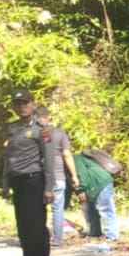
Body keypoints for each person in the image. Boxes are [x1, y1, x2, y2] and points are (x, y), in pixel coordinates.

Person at [4, 90, 55, 256]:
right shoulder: (13, 128)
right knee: (23, 226)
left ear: (33, 104)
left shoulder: (43, 129)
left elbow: (49, 159)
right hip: (18, 180)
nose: (22, 107)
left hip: (34, 180)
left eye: (25, 103)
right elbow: (9, 157)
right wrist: (6, 182)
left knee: (35, 226)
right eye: (18, 104)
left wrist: (49, 187)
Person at [34, 105, 80, 247]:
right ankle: (57, 239)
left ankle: (39, 238)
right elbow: (67, 154)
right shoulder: (59, 133)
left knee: (37, 208)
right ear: (48, 117)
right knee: (57, 208)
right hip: (58, 175)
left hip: (39, 175)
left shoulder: (35, 132)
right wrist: (74, 175)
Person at [75, 150, 119, 241]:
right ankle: (95, 233)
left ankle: (112, 236)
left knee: (105, 209)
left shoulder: (75, 158)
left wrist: (81, 190)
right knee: (89, 209)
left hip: (101, 182)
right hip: (92, 184)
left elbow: (82, 175)